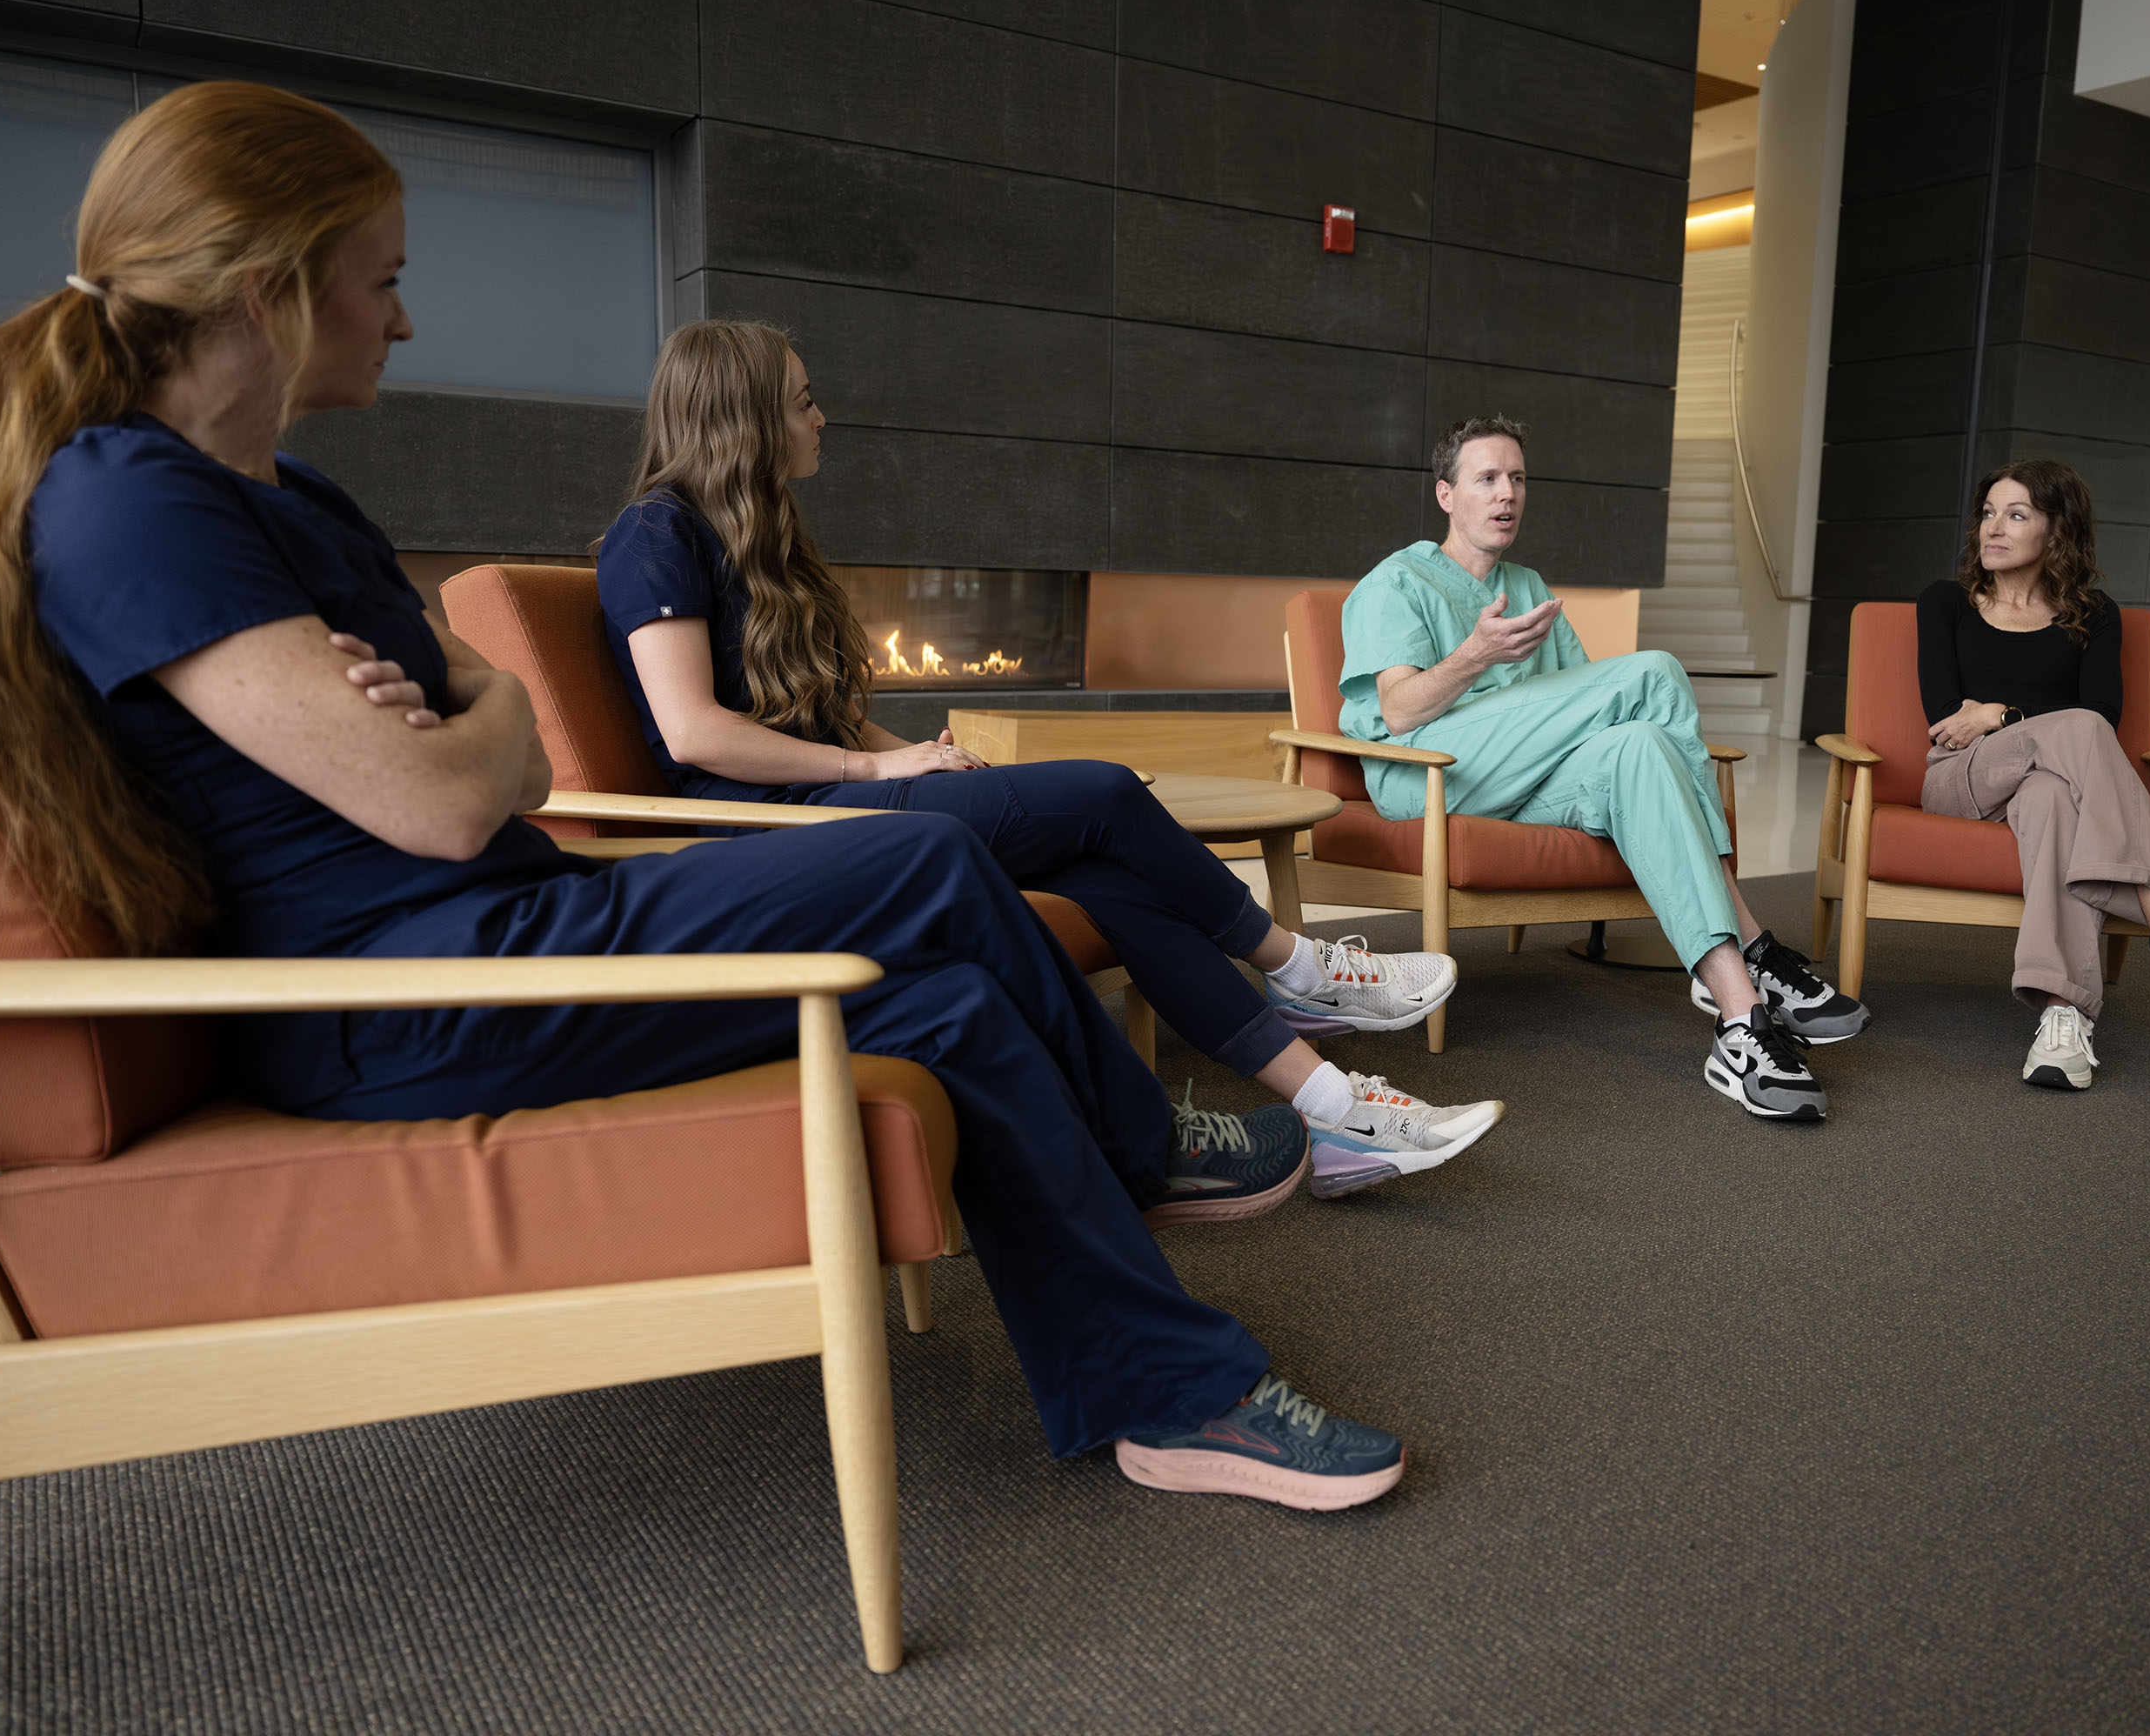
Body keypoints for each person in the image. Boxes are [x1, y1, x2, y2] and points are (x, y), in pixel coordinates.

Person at [0, 81, 1407, 1509]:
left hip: (510, 918)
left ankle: (1165, 1392)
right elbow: (437, 804)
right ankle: (1145, 1148)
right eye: (382, 279)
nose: (406, 323)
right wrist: (479, 725)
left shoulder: (294, 493)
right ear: (263, 290)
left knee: (948, 1007)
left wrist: (473, 712)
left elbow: (500, 731)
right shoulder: (129, 508)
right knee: (931, 869)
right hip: (395, 996)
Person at [593, 319, 1499, 1197]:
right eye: (802, 401)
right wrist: (877, 771)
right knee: (1105, 793)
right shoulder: (655, 532)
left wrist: (909, 754)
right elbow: (693, 733)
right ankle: (1300, 967)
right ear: (741, 417)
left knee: (1108, 872)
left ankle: (1334, 1110)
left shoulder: (763, 534)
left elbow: (820, 714)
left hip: (833, 801)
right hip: (768, 834)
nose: (820, 417)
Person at [1340, 417, 1868, 1122]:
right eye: (1487, 478)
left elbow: (1603, 717)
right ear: (1446, 494)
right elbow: (1400, 712)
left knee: (1640, 747)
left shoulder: (1528, 586)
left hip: (1521, 781)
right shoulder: (1396, 581)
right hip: (1428, 776)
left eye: (1518, 479)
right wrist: (1475, 655)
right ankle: (1753, 942)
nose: (1507, 494)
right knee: (1653, 672)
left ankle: (1738, 1020)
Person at [1917, 458, 2150, 1089]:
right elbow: (1947, 718)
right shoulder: (1946, 602)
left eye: (2016, 514)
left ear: (2056, 533)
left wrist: (1998, 713)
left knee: (2053, 797)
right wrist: (2008, 718)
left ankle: (2063, 1017)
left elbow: (2105, 715)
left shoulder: (2093, 614)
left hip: (2045, 782)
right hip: (1960, 776)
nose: (1992, 529)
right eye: (1988, 513)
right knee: (2076, 729)